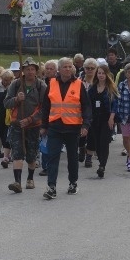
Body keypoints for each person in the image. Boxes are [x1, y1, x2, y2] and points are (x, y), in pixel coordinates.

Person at [40, 57, 92, 199]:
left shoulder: (78, 84)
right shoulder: (51, 83)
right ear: (59, 69)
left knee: (72, 157)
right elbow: (46, 106)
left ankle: (73, 183)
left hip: (72, 127)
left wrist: (85, 124)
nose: (68, 69)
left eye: (70, 67)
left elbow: (86, 106)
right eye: (65, 67)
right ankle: (51, 187)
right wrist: (43, 125)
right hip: (55, 126)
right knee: (52, 157)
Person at [4, 57, 47, 193]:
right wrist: (16, 99)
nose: (30, 72)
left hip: (33, 126)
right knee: (17, 153)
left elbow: (44, 108)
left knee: (31, 153)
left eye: (32, 69)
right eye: (27, 69)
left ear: (36, 71)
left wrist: (30, 119)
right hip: (17, 125)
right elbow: (6, 103)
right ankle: (17, 182)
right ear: (23, 71)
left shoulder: (41, 86)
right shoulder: (16, 85)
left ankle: (30, 178)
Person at [86, 63, 118, 178]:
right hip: (94, 119)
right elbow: (88, 104)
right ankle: (100, 160)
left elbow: (115, 104)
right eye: (99, 73)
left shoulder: (111, 88)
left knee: (104, 142)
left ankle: (102, 166)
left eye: (103, 73)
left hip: (107, 119)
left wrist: (111, 117)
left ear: (107, 74)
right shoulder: (92, 88)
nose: (101, 75)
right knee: (97, 142)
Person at [0, 69, 15, 168]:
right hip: (0, 115)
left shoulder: (14, 87)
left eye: (8, 80)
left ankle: (6, 157)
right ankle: (7, 154)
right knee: (1, 134)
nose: (6, 82)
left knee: (8, 135)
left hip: (11, 115)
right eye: (4, 80)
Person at [39, 59, 59, 176]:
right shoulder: (40, 83)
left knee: (52, 144)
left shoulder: (58, 83)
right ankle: (45, 166)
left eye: (52, 69)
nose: (49, 71)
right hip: (43, 115)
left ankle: (52, 165)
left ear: (56, 70)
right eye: (47, 68)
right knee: (44, 143)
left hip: (56, 117)